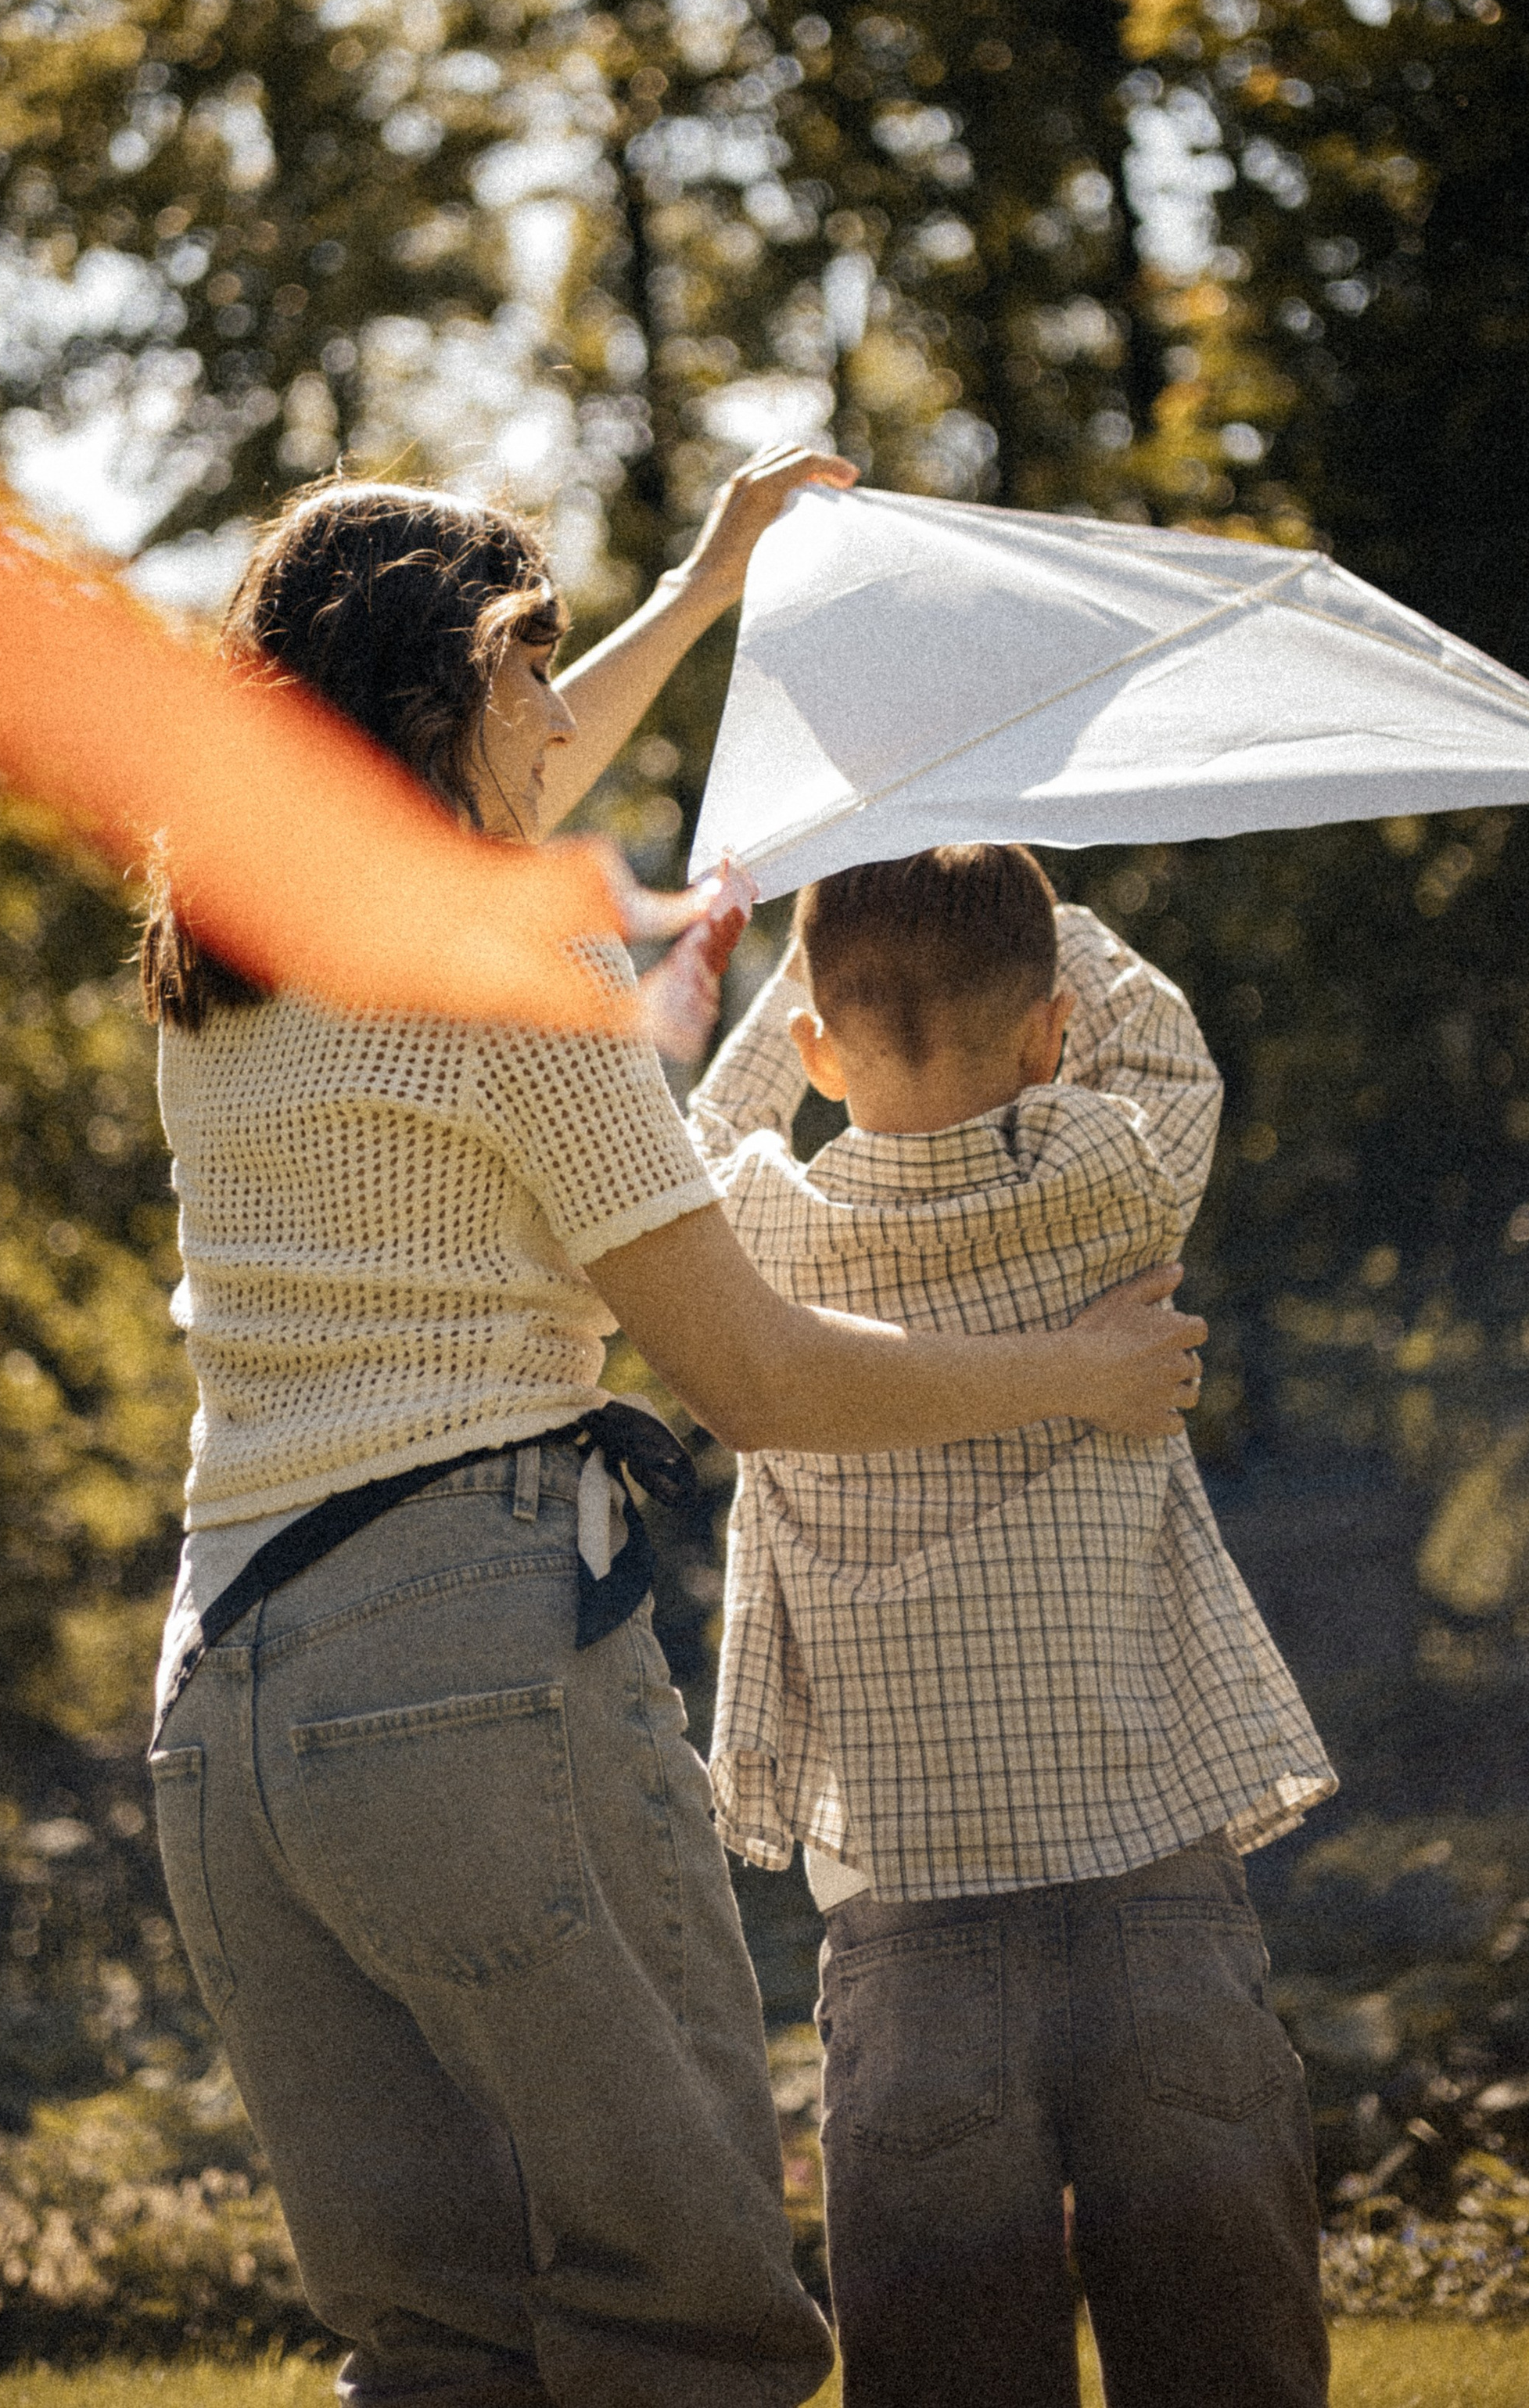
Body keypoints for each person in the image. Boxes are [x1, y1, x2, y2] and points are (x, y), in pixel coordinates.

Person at [142, 462, 1208, 2408]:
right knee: (680, 2323)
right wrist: (1071, 1372)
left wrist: (712, 580)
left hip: (225, 1703)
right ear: (424, 706)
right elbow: (758, 1375)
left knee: (437, 2340)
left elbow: (505, 780)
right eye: (525, 680)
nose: (563, 726)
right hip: (463, 1665)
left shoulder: (227, 979)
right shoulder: (511, 989)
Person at [689, 843, 1337, 2408]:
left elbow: (698, 1133)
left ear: (818, 1052)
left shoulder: (756, 1244)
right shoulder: (1115, 1177)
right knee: (1226, 2361)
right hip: (1148, 1878)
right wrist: (1039, 904)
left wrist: (808, 946)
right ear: (1046, 1033)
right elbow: (1159, 1036)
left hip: (908, 1911)